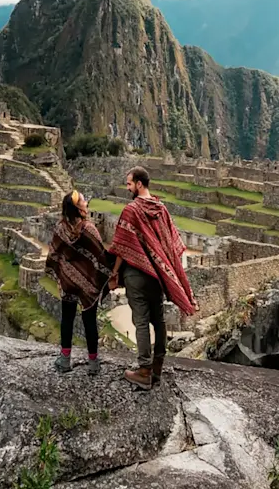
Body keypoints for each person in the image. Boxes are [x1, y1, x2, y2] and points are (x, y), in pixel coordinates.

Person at [108, 166, 198, 390]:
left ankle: (144, 370)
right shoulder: (162, 209)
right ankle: (158, 367)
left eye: (129, 184)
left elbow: (121, 246)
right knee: (158, 320)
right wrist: (163, 266)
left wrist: (114, 273)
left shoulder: (131, 210)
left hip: (136, 274)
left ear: (139, 184)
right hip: (157, 276)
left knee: (140, 322)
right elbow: (172, 244)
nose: (128, 188)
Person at [45, 190, 114, 376]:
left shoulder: (60, 229)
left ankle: (65, 359)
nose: (86, 202)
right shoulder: (89, 229)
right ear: (77, 207)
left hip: (67, 283)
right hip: (87, 285)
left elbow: (53, 254)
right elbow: (101, 256)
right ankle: (93, 363)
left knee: (66, 318)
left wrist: (63, 272)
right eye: (83, 200)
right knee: (89, 321)